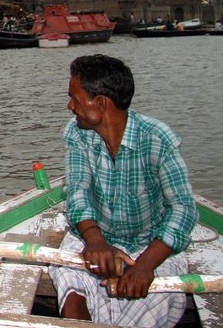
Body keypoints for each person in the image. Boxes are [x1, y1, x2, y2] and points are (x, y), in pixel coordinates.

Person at [50, 54, 196, 327]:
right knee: (69, 279)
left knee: (156, 298)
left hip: (149, 243)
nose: (70, 106)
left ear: (101, 103)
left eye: (76, 99)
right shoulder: (77, 133)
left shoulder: (157, 138)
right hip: (95, 238)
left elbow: (184, 209)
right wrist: (94, 240)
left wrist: (144, 265)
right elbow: (78, 191)